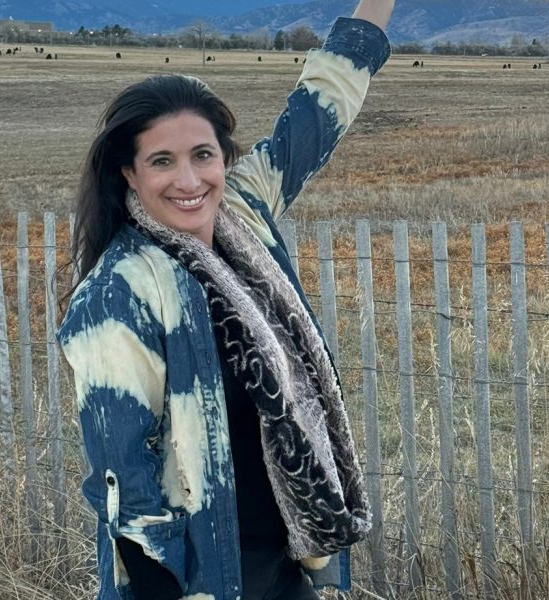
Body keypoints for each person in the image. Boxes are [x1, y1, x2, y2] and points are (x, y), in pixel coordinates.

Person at [57, 2, 394, 599]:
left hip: (284, 559)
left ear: (224, 158)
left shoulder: (243, 212)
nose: (189, 182)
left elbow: (321, 106)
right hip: (198, 575)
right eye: (162, 161)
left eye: (202, 155)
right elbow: (125, 483)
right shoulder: (119, 293)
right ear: (129, 174)